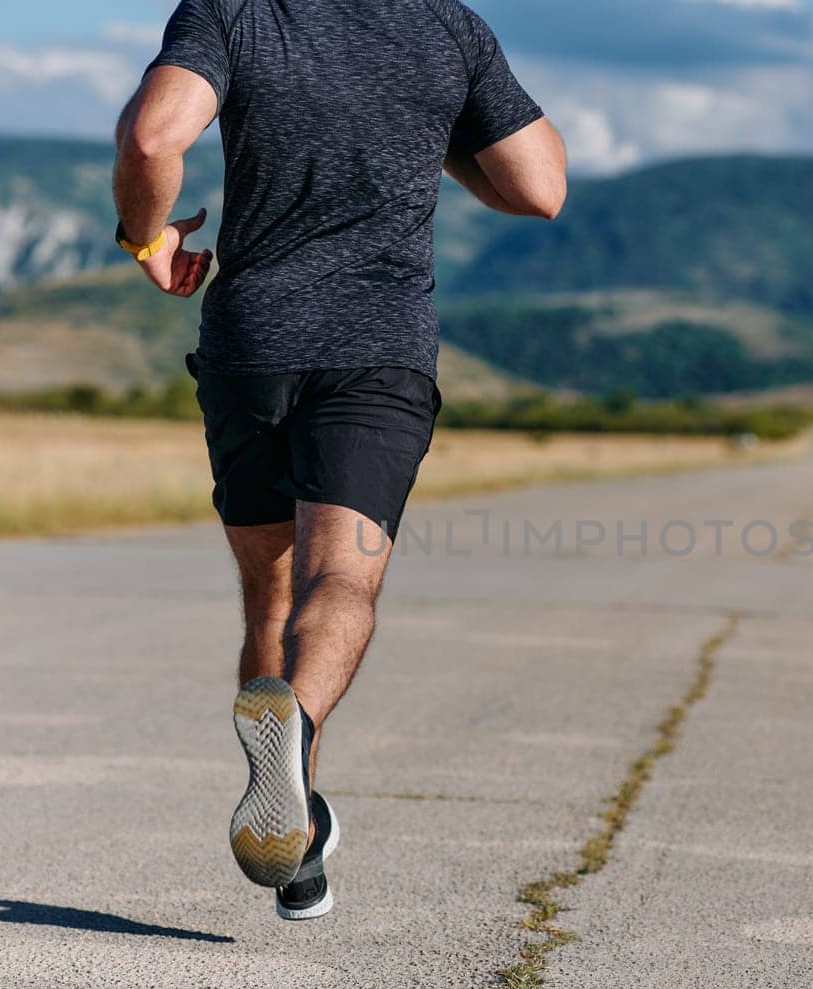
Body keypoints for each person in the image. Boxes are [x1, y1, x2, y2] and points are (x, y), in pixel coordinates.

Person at [112, 0, 567, 920]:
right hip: (377, 351)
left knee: (269, 598)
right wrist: (432, 127)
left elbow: (156, 136)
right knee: (341, 586)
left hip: (251, 347)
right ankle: (301, 731)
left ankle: (297, 849)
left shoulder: (232, 11)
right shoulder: (448, 30)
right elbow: (539, 185)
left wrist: (147, 240)